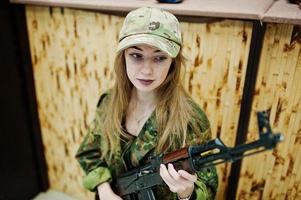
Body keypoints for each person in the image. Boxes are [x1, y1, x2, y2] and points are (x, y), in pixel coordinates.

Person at [75, 6, 218, 200]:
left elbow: (208, 189)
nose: (146, 70)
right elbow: (89, 153)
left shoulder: (190, 120)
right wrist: (104, 189)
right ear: (123, 57)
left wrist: (186, 193)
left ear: (173, 63)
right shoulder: (109, 102)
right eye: (136, 55)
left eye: (159, 58)